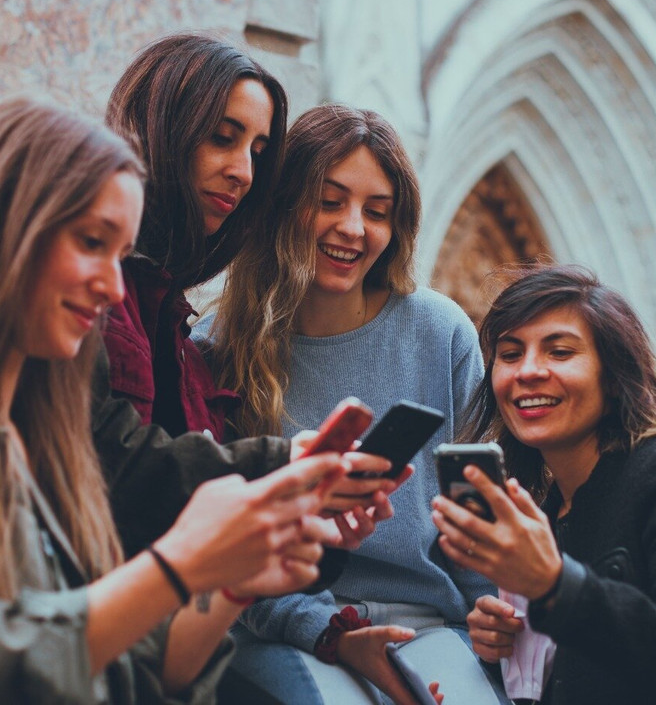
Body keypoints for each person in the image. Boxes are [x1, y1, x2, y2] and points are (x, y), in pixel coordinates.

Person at [0, 96, 348, 703]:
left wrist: (228, 583)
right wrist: (180, 561)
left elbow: (125, 669)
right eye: (92, 242)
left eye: (121, 255)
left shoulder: (27, 436)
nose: (110, 285)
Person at [201, 104, 507, 705]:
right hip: (288, 625)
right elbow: (231, 543)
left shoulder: (439, 331)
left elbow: (477, 511)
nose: (353, 228)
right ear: (285, 204)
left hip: (432, 624)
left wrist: (494, 628)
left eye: (377, 211)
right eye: (330, 200)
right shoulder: (216, 345)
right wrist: (329, 631)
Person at [93, 34, 392, 557]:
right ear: (160, 130)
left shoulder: (177, 328)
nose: (244, 172)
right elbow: (119, 469)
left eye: (257, 152)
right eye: (221, 138)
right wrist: (280, 466)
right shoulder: (99, 289)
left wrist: (300, 518)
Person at [431, 265, 656, 705]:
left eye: (560, 352)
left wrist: (554, 587)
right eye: (509, 355)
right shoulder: (546, 515)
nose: (527, 371)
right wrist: (504, 649)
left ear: (613, 375)